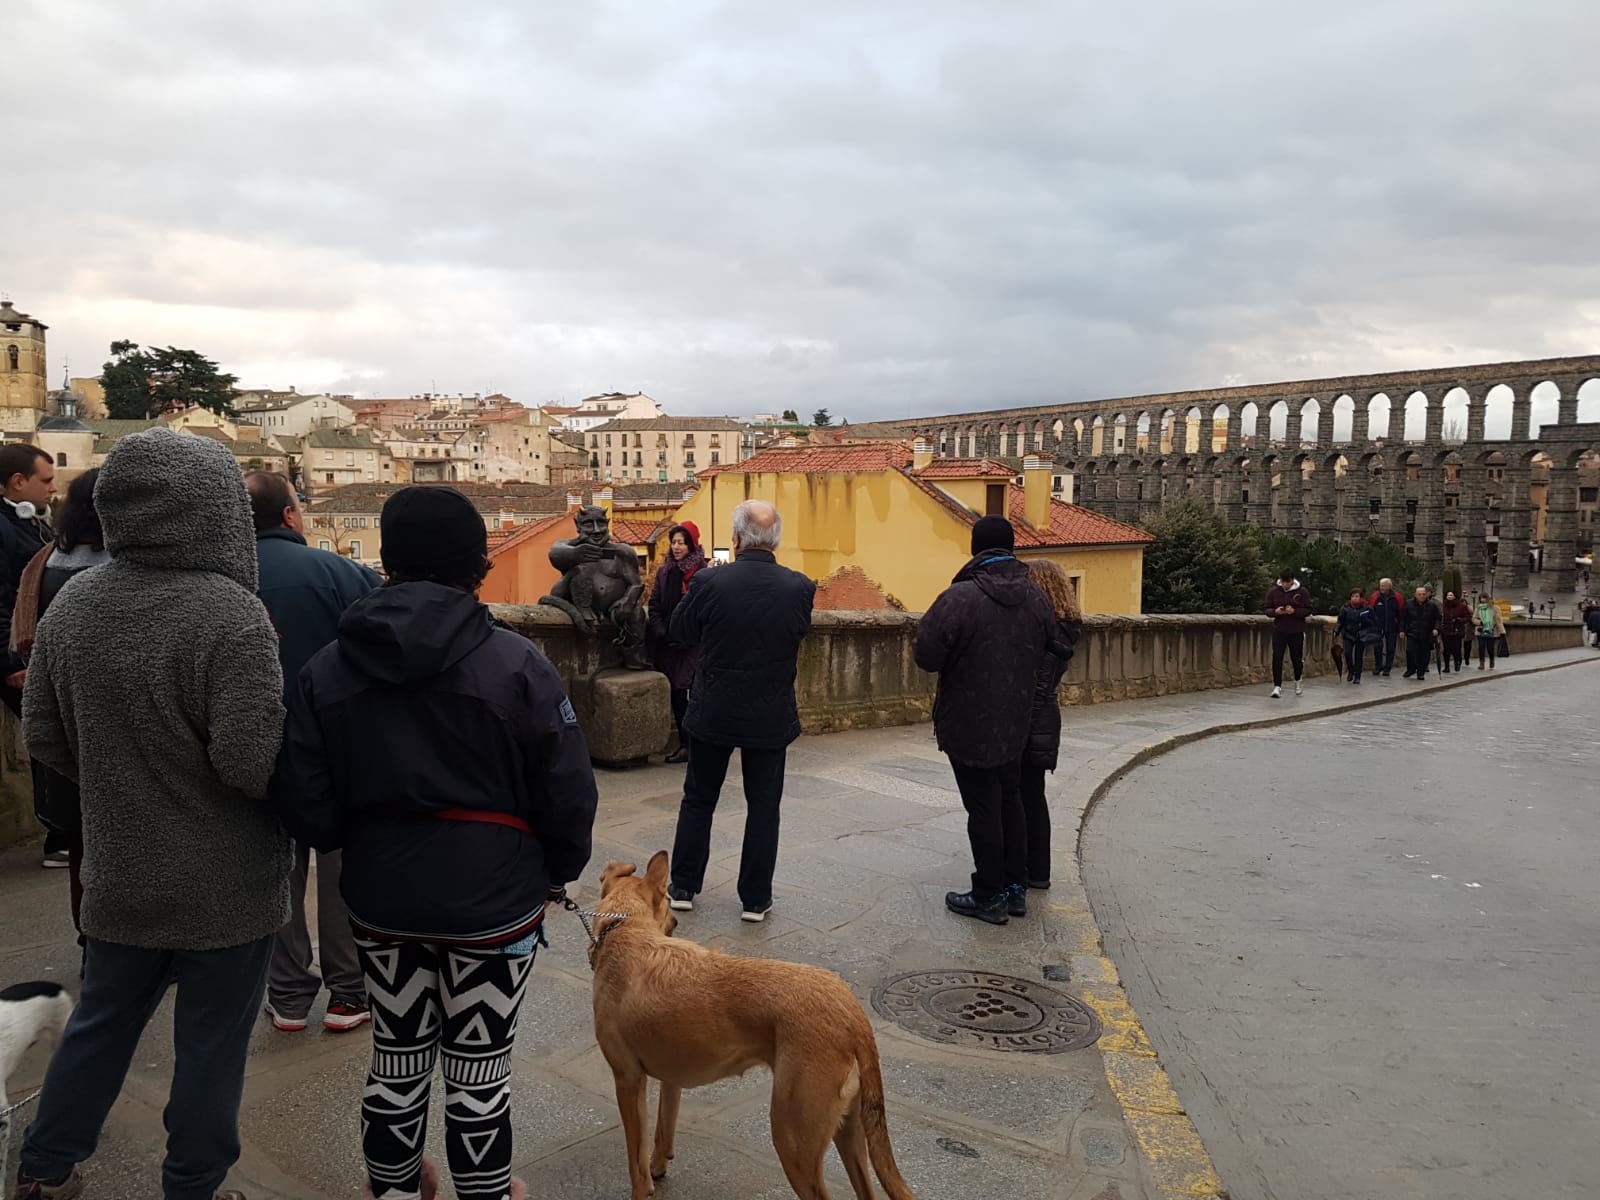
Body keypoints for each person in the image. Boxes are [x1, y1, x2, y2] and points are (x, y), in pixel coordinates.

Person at [271, 485, 598, 1200]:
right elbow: (568, 791)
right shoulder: (518, 665)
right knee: (480, 1071)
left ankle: (391, 1189)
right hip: (494, 900)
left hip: (383, 895)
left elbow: (306, 796)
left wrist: (353, 840)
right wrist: (555, 871)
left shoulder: (327, 668)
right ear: (476, 562)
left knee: (397, 1055)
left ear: (388, 558)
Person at [16, 429, 290, 1200]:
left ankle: (43, 1169)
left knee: (102, 1026)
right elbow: (249, 764)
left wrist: (117, 782)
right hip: (226, 883)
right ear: (214, 512)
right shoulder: (230, 615)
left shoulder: (73, 607)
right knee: (210, 1047)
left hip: (119, 869)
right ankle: (194, 1185)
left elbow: (41, 735)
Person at [245, 471, 382, 1035]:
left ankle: (289, 993)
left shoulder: (222, 580)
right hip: (341, 747)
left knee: (276, 871)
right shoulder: (346, 573)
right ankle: (349, 992)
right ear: (290, 516)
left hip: (256, 748)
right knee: (342, 869)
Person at [665, 500, 814, 923]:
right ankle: (755, 898)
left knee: (698, 799)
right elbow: (798, 632)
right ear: (775, 540)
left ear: (736, 538)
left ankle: (684, 885)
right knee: (764, 807)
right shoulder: (799, 586)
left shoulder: (711, 582)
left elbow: (680, 630)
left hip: (714, 708)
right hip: (770, 712)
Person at [914, 516, 1056, 925]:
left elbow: (926, 656)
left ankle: (988, 893)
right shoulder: (1036, 597)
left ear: (976, 548)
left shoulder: (959, 598)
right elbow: (1053, 643)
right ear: (1012, 548)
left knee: (983, 808)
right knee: (1010, 799)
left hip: (967, 720)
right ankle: (1014, 889)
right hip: (1016, 720)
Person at [6, 469, 111, 941]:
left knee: (82, 844)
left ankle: (89, 936)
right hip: (114, 716)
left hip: (64, 712)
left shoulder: (45, 561)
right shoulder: (121, 566)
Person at [0, 443, 61, 868]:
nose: (53, 488)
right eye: (45, 480)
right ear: (18, 483)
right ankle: (60, 834)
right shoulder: (6, 529)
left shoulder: (29, 523)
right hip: (16, 661)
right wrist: (10, 667)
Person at [1019, 560, 1082, 891]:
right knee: (1032, 794)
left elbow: (1040, 685)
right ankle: (1036, 869)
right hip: (1045, 718)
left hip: (1035, 720)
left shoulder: (1052, 632)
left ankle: (1035, 870)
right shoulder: (1065, 628)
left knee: (1027, 795)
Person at [646, 520, 706, 764]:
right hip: (669, 645)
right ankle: (685, 744)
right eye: (674, 542)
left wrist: (689, 635)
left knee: (697, 694)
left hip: (694, 645)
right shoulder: (665, 572)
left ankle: (699, 744)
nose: (677, 547)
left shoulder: (702, 573)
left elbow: (705, 610)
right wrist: (662, 631)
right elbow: (655, 605)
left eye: (682, 542)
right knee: (678, 695)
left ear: (691, 545)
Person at [1264, 568, 1312, 698]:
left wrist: (1295, 612)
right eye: (1283, 582)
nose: (1285, 585)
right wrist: (1275, 612)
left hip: (1296, 630)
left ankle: (1297, 680)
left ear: (1292, 580)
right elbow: (1267, 609)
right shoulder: (1274, 592)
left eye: (1288, 582)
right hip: (1279, 630)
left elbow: (1308, 609)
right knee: (1277, 657)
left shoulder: (1302, 592)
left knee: (1296, 658)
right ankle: (1277, 686)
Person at [1333, 588, 1374, 684]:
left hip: (1361, 634)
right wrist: (1336, 630)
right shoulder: (1345, 608)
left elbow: (1372, 621)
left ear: (1361, 598)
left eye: (1357, 596)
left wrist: (1366, 621)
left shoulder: (1367, 608)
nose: (1354, 598)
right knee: (1348, 653)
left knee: (1358, 656)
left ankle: (1357, 676)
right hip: (1348, 633)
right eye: (1353, 596)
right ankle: (1351, 670)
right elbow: (1340, 621)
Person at [1401, 585, 1441, 679]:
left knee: (1424, 654)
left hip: (1426, 633)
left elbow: (1438, 619)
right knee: (1410, 651)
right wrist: (1402, 630)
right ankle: (1411, 669)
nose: (1421, 596)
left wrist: (1436, 629)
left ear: (1426, 594)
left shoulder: (1432, 605)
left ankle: (1421, 672)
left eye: (1423, 594)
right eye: (1419, 594)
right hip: (1412, 632)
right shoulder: (1408, 604)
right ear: (1415, 595)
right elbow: (1403, 618)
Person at [1368, 578, 1405, 677]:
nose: (1382, 588)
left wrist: (1401, 629)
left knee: (1391, 648)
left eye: (1384, 586)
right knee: (1377, 647)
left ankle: (1387, 668)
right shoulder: (1375, 597)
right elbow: (1370, 611)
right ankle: (1378, 666)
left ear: (1389, 586)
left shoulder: (1397, 597)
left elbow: (1401, 614)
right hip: (1378, 627)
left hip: (1392, 626)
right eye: (1381, 586)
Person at [1438, 590, 1471, 674]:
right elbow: (1439, 616)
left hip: (1457, 631)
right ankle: (1446, 666)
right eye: (1448, 595)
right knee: (1446, 650)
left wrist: (1460, 620)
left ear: (1454, 596)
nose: (1449, 597)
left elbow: (1468, 617)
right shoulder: (1443, 606)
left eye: (1451, 595)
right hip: (1446, 631)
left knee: (1456, 649)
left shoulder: (1461, 606)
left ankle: (1457, 663)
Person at [1474, 593, 1505, 668]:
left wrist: (1502, 631)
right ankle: (1482, 663)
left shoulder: (1495, 608)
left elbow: (1498, 620)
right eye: (1481, 598)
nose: (1482, 600)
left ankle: (1492, 660)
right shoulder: (1478, 608)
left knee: (1490, 648)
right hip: (1481, 630)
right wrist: (1479, 622)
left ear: (1488, 599)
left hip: (1491, 630)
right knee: (1481, 647)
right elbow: (1474, 618)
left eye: (1484, 598)